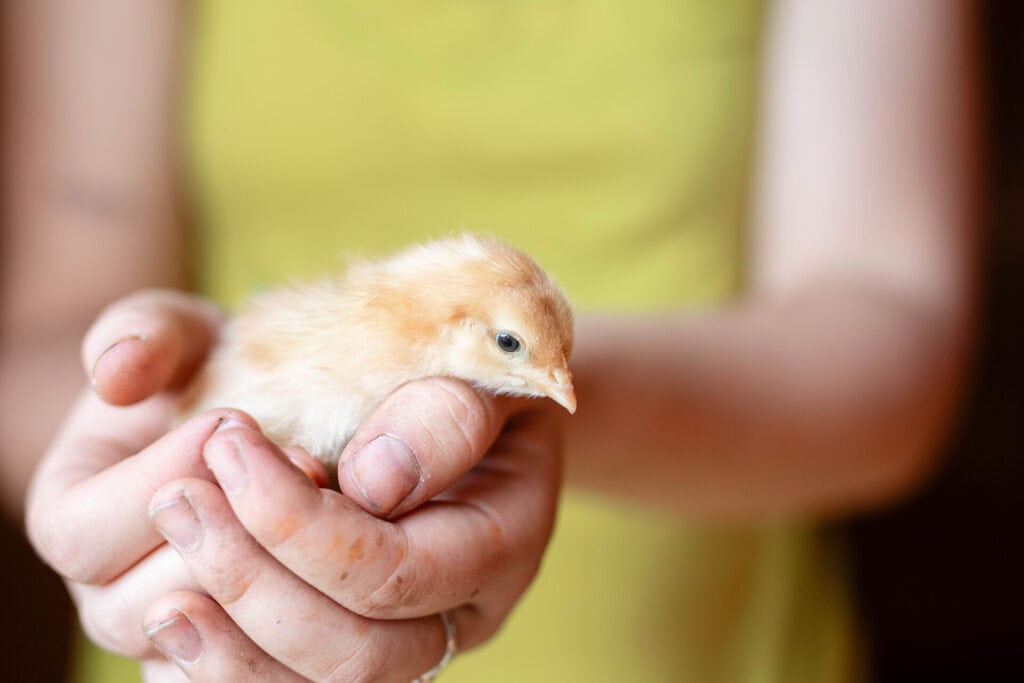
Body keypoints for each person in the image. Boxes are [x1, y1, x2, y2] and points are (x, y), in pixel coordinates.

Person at [3, 1, 979, 681]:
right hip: (199, 640)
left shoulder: (496, 366)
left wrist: (540, 412)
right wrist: (152, 438)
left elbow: (894, 330)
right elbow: (48, 339)